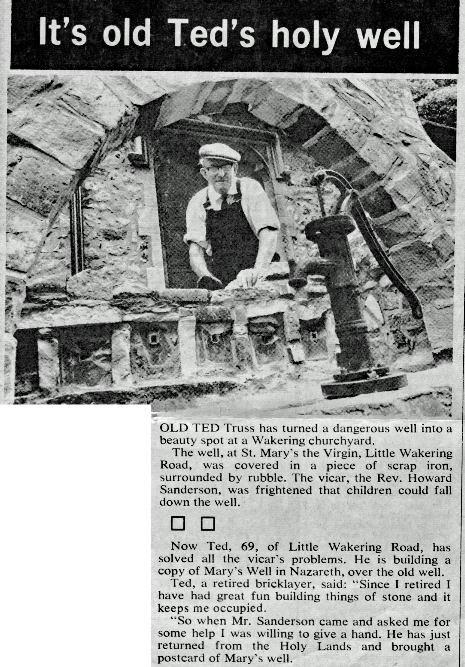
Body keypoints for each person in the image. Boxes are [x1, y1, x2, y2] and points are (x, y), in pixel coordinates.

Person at [184, 143, 280, 290]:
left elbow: (268, 232)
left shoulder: (249, 188)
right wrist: (207, 278)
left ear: (235, 169)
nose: (221, 174)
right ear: (204, 173)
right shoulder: (198, 202)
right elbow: (195, 250)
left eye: (226, 167)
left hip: (263, 273)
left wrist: (257, 271)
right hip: (226, 280)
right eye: (214, 168)